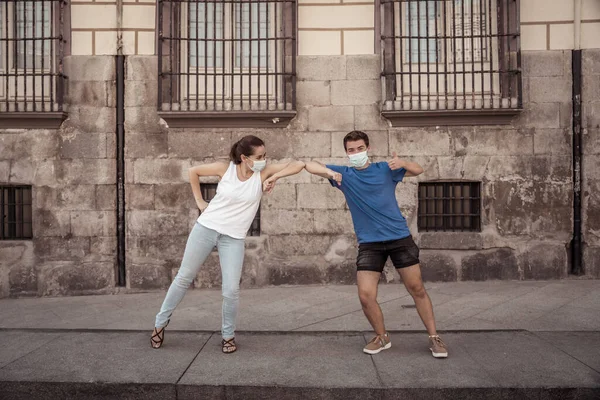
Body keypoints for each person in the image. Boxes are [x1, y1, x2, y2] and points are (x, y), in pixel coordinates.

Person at [151, 135, 305, 353]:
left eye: (265, 155)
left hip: (233, 238)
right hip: (206, 229)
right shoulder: (225, 169)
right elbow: (193, 172)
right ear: (244, 157)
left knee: (231, 289)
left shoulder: (264, 172)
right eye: (259, 156)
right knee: (184, 278)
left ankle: (228, 336)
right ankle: (159, 325)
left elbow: (299, 164)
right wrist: (200, 201)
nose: (264, 159)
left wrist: (275, 177)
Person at [303, 130, 448, 358]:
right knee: (365, 295)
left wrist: (402, 162)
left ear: (367, 148)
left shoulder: (385, 169)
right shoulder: (344, 174)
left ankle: (434, 337)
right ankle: (382, 336)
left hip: (399, 238)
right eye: (351, 150)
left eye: (360, 149)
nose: (356, 153)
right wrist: (330, 172)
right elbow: (309, 165)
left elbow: (418, 169)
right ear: (346, 153)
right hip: (370, 244)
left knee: (417, 288)